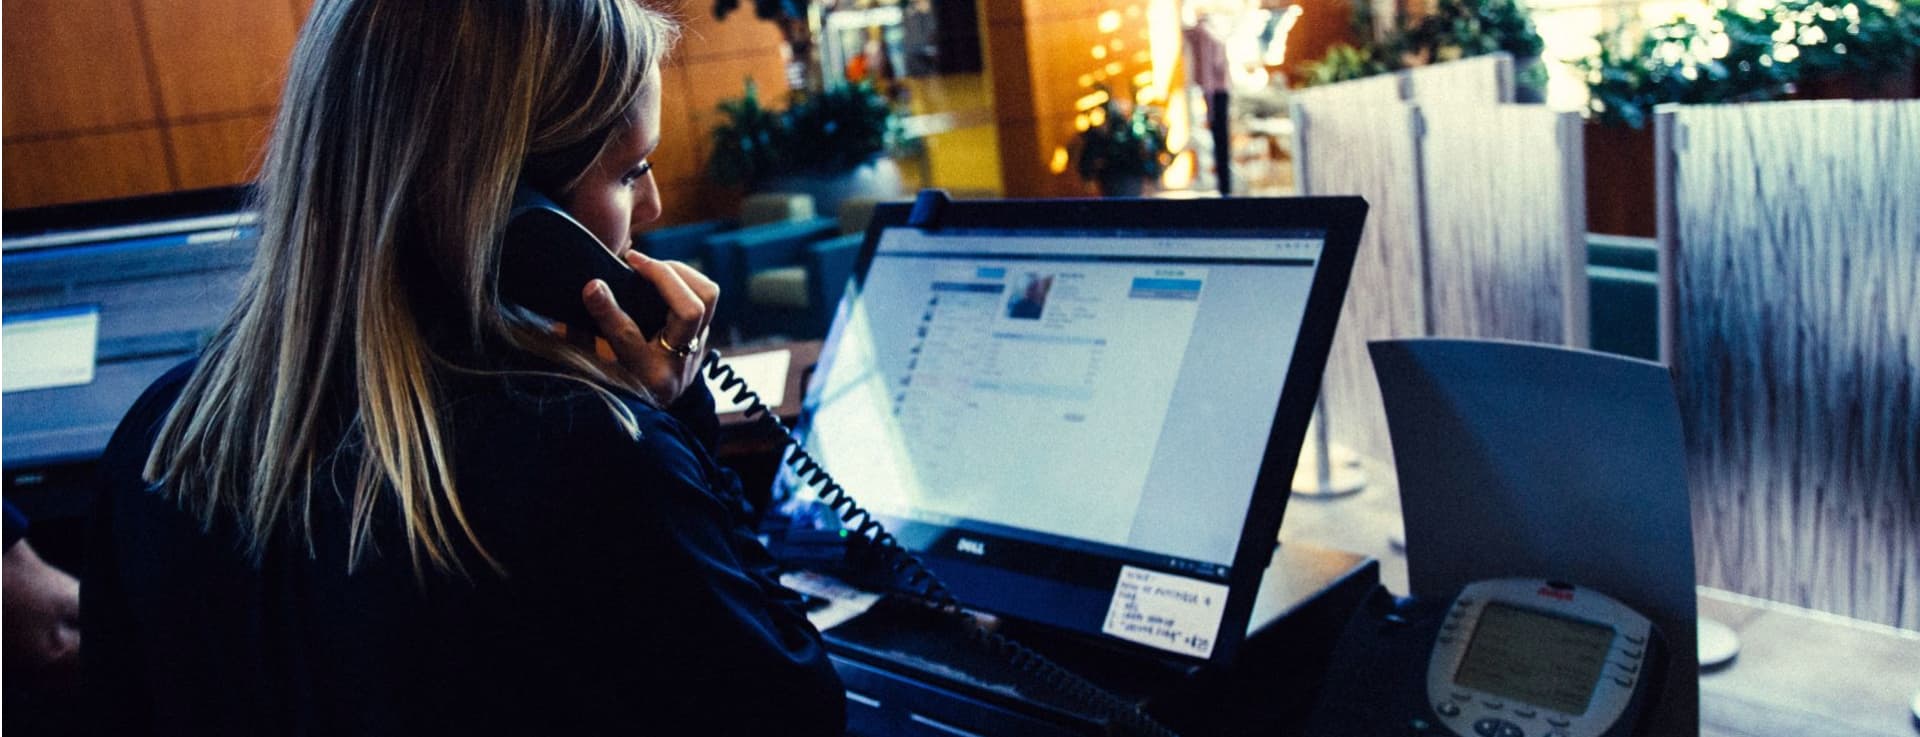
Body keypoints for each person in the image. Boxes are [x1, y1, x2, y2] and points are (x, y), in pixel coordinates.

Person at [82, 1, 843, 734]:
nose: (649, 206)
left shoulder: (159, 436)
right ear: (513, 210)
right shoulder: (583, 454)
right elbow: (797, 707)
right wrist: (675, 419)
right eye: (629, 170)